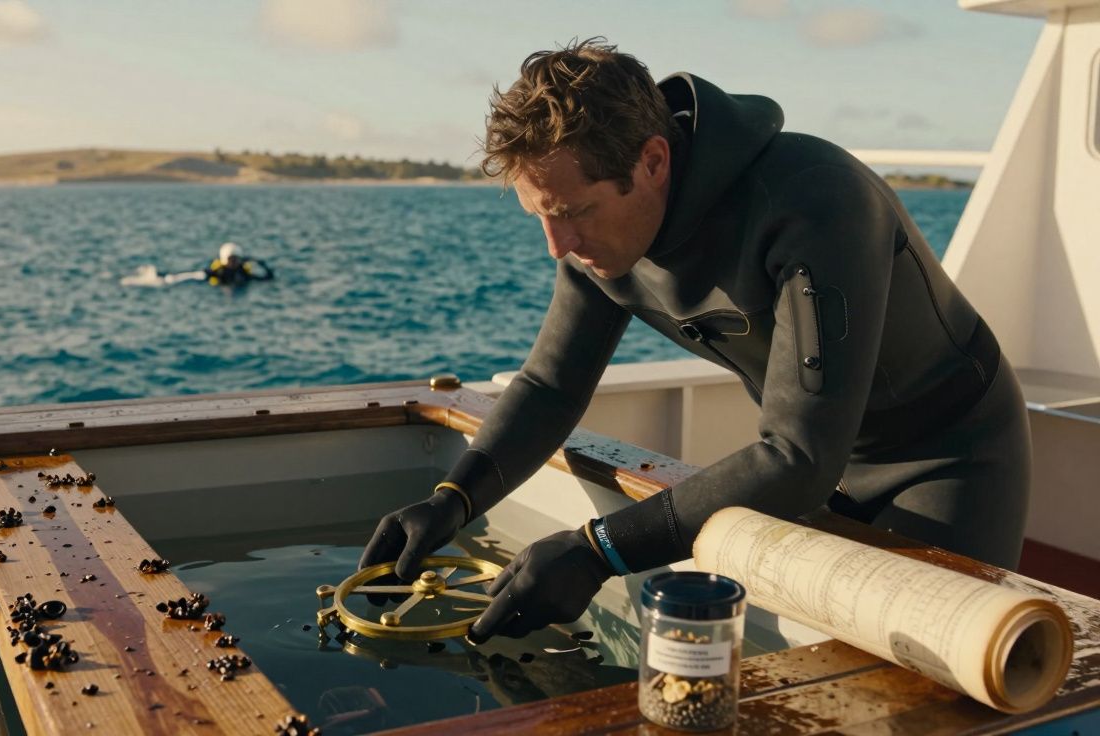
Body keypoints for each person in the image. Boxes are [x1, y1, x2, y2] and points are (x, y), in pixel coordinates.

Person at [358, 39, 1030, 645]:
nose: (557, 246)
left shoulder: (814, 200)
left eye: (573, 214)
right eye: (540, 216)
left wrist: (598, 551)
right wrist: (455, 499)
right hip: (814, 457)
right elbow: (549, 385)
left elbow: (799, 456)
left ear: (652, 161)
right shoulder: (596, 238)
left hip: (944, 455)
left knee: (928, 668)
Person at [205, 242, 273, 286]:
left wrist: (261, 264)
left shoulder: (243, 272)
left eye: (236, 259)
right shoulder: (219, 272)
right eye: (231, 259)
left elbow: (267, 278)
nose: (233, 262)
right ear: (225, 260)